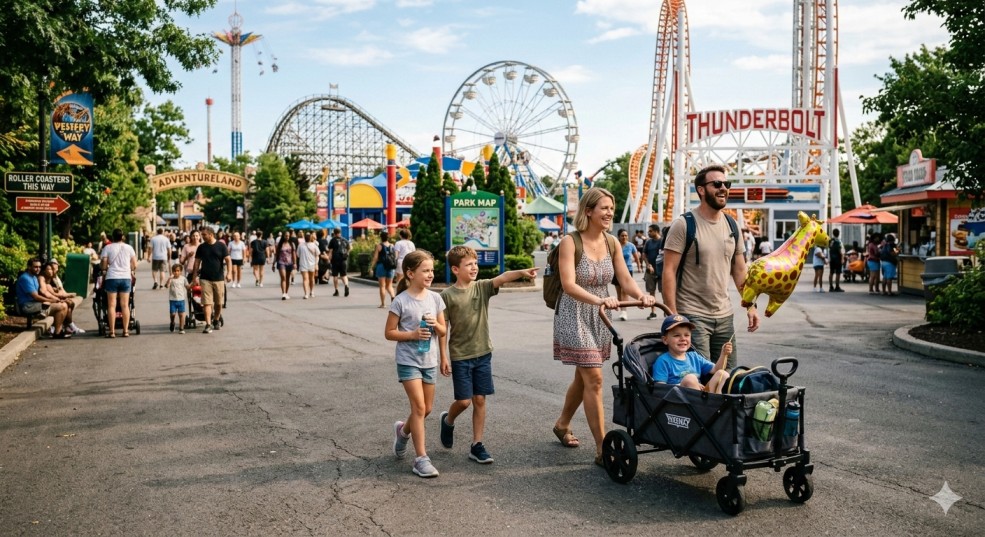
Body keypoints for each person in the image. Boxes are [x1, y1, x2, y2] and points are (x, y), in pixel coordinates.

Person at [552, 188, 655, 466]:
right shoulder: (570, 243)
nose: (609, 213)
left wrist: (641, 296)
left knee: (583, 376)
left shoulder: (612, 243)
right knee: (594, 378)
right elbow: (568, 285)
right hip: (575, 312)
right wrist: (599, 299)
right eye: (604, 208)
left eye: (612, 208)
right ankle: (602, 448)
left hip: (601, 314)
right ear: (588, 211)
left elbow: (624, 278)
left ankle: (562, 424)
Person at [438, 246, 538, 464]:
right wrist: (443, 357)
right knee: (464, 402)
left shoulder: (482, 287)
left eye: (475, 263)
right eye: (468, 264)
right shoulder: (446, 296)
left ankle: (477, 444)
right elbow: (442, 328)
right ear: (455, 269)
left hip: (483, 352)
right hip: (460, 355)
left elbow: (502, 278)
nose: (474, 267)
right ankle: (448, 420)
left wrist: (522, 272)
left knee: (480, 400)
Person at [661, 165, 759, 371]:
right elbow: (668, 271)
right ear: (701, 190)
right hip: (693, 315)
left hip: (725, 316)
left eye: (726, 184)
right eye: (717, 184)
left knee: (728, 376)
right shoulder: (684, 224)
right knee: (701, 378)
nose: (723, 188)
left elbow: (740, 271)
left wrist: (751, 305)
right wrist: (673, 317)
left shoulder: (732, 225)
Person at [384, 250, 447, 478]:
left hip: (429, 360)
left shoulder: (435, 298)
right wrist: (411, 334)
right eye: (425, 270)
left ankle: (403, 431)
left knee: (427, 409)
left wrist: (436, 326)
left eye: (431, 270)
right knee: (419, 408)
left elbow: (443, 330)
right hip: (408, 361)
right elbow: (389, 333)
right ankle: (421, 458)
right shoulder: (400, 301)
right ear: (410, 273)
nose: (430, 274)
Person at [651, 314, 733, 394]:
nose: (683, 339)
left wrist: (723, 354)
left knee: (722, 373)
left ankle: (715, 402)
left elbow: (716, 369)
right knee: (690, 378)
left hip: (702, 395)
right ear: (665, 340)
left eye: (687, 335)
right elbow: (659, 388)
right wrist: (687, 384)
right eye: (676, 335)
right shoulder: (663, 361)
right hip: (679, 399)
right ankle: (706, 403)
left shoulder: (694, 357)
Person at [15, 258, 71, 338]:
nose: (38, 269)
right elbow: (35, 296)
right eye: (35, 267)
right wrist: (51, 300)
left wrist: (54, 295)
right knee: (62, 306)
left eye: (39, 267)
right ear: (29, 267)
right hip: (27, 305)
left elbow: (40, 292)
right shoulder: (25, 278)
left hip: (34, 303)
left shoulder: (33, 277)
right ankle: (57, 332)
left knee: (64, 304)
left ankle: (58, 331)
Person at [192, 226, 231, 333]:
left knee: (219, 303)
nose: (202, 236)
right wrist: (194, 277)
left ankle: (216, 320)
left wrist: (229, 273)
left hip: (219, 278)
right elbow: (196, 263)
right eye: (202, 234)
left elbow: (228, 260)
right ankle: (208, 324)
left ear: (211, 234)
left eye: (204, 235)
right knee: (207, 303)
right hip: (205, 278)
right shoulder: (201, 247)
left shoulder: (221, 246)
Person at [100, 228, 138, 338]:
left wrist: (104, 269)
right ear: (122, 237)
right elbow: (134, 264)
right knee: (125, 305)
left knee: (111, 305)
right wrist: (129, 269)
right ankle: (125, 331)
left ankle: (112, 332)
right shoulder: (129, 248)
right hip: (125, 278)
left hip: (111, 277)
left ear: (112, 237)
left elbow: (104, 264)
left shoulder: (107, 248)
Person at [41, 261, 83, 335]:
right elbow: (45, 292)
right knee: (65, 304)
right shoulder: (42, 279)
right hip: (44, 302)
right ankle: (62, 327)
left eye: (52, 269)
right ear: (44, 270)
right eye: (49, 269)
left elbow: (59, 291)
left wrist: (64, 296)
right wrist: (60, 298)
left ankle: (67, 325)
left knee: (70, 303)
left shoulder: (53, 279)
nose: (51, 271)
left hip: (52, 299)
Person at [640, 224, 664, 320]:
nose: (648, 233)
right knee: (651, 292)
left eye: (650, 231)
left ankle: (666, 312)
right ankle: (653, 312)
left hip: (661, 271)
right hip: (650, 271)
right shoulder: (648, 242)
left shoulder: (663, 241)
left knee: (664, 292)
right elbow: (644, 254)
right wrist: (648, 264)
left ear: (656, 231)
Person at [615, 229, 640, 320]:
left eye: (626, 235)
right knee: (619, 292)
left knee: (624, 291)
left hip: (628, 270)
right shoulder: (615, 245)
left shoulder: (631, 246)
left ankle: (624, 312)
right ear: (619, 236)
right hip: (616, 270)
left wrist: (639, 266)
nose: (624, 237)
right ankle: (622, 309)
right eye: (622, 235)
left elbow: (636, 257)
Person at [370, 231, 396, 308]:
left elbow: (375, 258)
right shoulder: (392, 245)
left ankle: (383, 304)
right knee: (389, 285)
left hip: (381, 266)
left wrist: (371, 267)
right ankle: (393, 297)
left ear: (381, 237)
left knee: (382, 286)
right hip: (391, 266)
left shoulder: (379, 246)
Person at [164, 263, 189, 334]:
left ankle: (181, 328)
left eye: (178, 271)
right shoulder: (171, 279)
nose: (176, 272)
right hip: (173, 300)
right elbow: (166, 286)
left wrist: (192, 284)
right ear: (172, 271)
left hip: (181, 300)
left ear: (181, 271)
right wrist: (169, 279)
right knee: (173, 314)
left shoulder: (183, 279)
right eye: (175, 271)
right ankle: (172, 322)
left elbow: (187, 286)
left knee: (181, 315)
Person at [327, 228, 350, 297]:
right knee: (344, 275)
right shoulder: (344, 240)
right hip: (343, 259)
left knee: (335, 276)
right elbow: (349, 247)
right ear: (340, 232)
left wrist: (329, 259)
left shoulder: (332, 240)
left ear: (334, 233)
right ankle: (346, 285)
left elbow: (330, 251)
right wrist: (347, 253)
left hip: (335, 259)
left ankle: (336, 290)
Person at [273, 233, 296, 300]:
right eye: (286, 236)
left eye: (288, 236)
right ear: (283, 236)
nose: (287, 237)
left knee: (287, 279)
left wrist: (295, 263)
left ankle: (286, 292)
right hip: (281, 262)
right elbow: (276, 255)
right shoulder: (279, 245)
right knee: (283, 277)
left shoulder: (292, 244)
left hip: (289, 263)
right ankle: (283, 293)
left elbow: (294, 254)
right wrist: (273, 264)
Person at [297, 231, 320, 299]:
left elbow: (298, 255)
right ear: (310, 238)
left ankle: (306, 293)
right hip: (311, 264)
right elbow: (318, 255)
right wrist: (316, 263)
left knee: (306, 279)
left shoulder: (300, 245)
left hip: (304, 264)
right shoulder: (314, 245)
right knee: (310, 279)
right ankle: (311, 292)